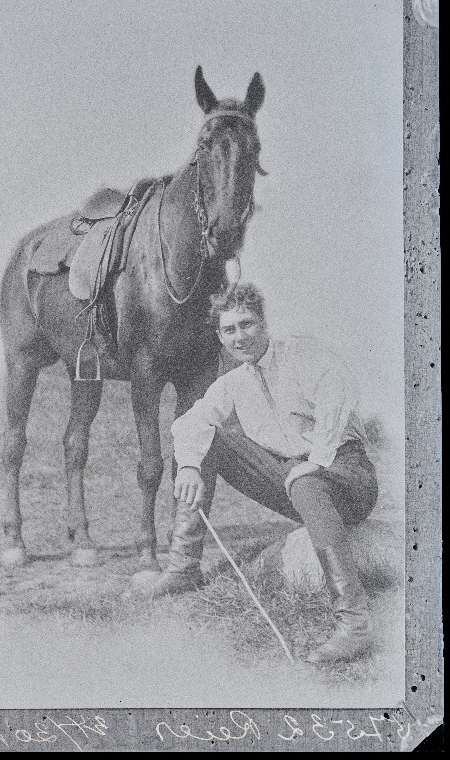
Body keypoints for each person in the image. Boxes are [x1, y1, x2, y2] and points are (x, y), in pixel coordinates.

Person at [152, 282, 379, 663]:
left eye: (247, 324)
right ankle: (183, 566)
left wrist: (318, 460)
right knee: (207, 438)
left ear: (265, 324)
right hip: (294, 479)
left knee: (305, 481)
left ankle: (354, 623)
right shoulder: (233, 382)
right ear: (221, 337)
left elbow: (336, 397)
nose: (239, 337)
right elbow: (192, 420)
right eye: (229, 330)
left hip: (346, 471)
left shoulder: (302, 353)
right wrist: (189, 464)